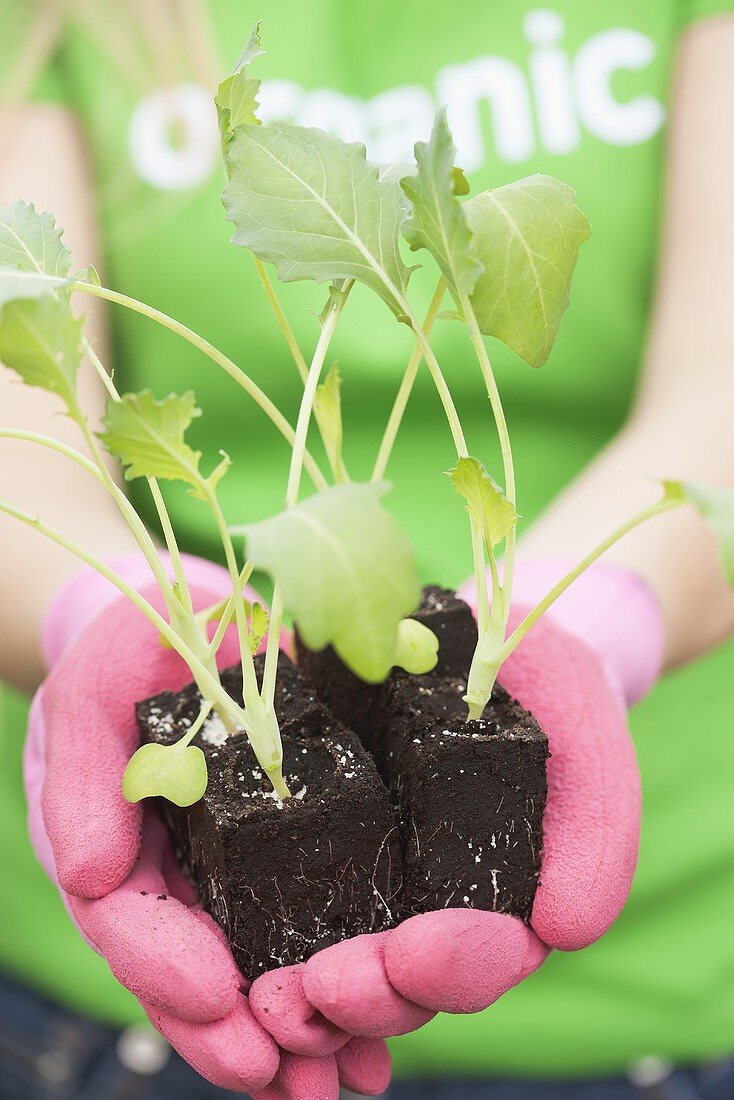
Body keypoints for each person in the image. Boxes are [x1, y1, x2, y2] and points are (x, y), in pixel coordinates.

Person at [2, 1, 734, 1097]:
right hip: (107, 1028)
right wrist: (95, 614)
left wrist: (590, 622)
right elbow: (21, 433)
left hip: (667, 1001)